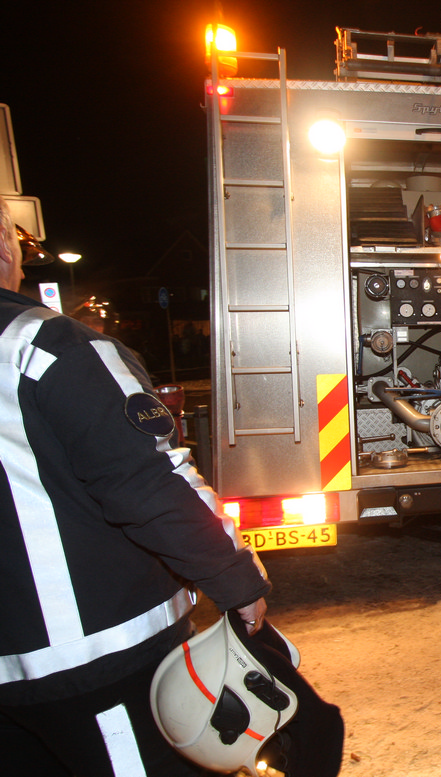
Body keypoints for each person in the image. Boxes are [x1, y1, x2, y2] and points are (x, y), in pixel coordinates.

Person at [0, 196, 271, 775]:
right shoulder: (47, 347)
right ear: (3, 244)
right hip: (94, 658)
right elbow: (147, 477)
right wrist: (235, 577)